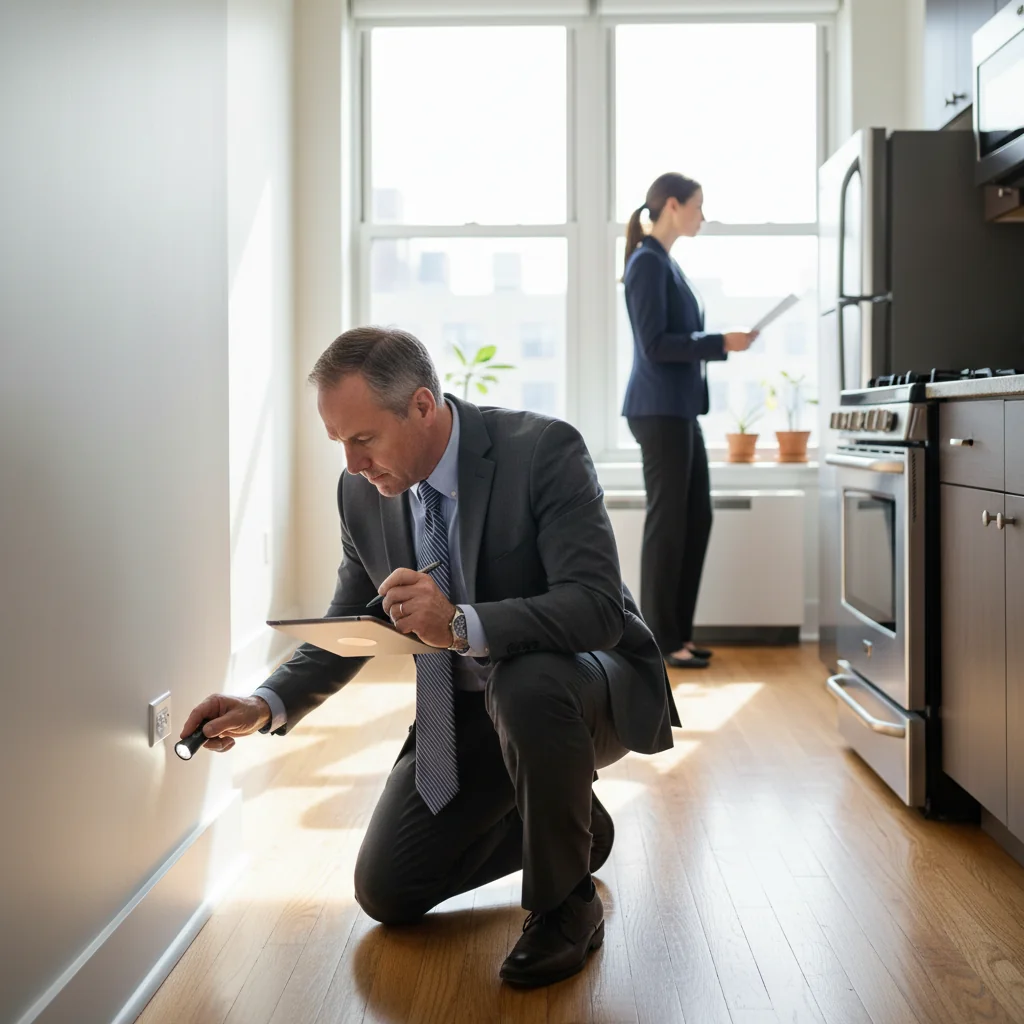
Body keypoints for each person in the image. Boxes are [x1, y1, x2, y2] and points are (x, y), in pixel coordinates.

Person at [181, 326, 680, 989]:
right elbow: (353, 622)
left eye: (364, 439)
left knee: (525, 683)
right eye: (338, 443)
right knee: (387, 892)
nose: (353, 464)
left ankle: (566, 906)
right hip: (470, 715)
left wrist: (461, 623)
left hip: (581, 686)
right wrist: (262, 703)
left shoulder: (542, 451)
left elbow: (596, 608)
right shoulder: (362, 492)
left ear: (421, 406)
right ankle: (572, 823)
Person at [621, 172, 758, 669]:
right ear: (673, 206)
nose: (703, 215)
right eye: (699, 206)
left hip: (677, 410)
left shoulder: (664, 264)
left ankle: (677, 632)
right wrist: (720, 342)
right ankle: (661, 640)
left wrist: (719, 343)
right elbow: (655, 345)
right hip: (658, 411)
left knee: (695, 517)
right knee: (669, 524)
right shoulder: (647, 264)